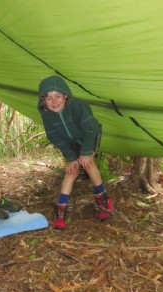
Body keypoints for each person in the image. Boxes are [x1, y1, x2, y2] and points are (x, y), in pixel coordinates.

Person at [37, 75, 114, 230]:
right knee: (72, 170)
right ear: (43, 101)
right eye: (49, 98)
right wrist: (71, 158)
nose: (54, 101)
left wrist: (85, 153)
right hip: (70, 142)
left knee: (88, 163)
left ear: (66, 96)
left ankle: (103, 200)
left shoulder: (79, 106)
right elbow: (55, 136)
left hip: (89, 136)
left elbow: (91, 130)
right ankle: (61, 208)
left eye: (58, 96)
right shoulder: (47, 115)